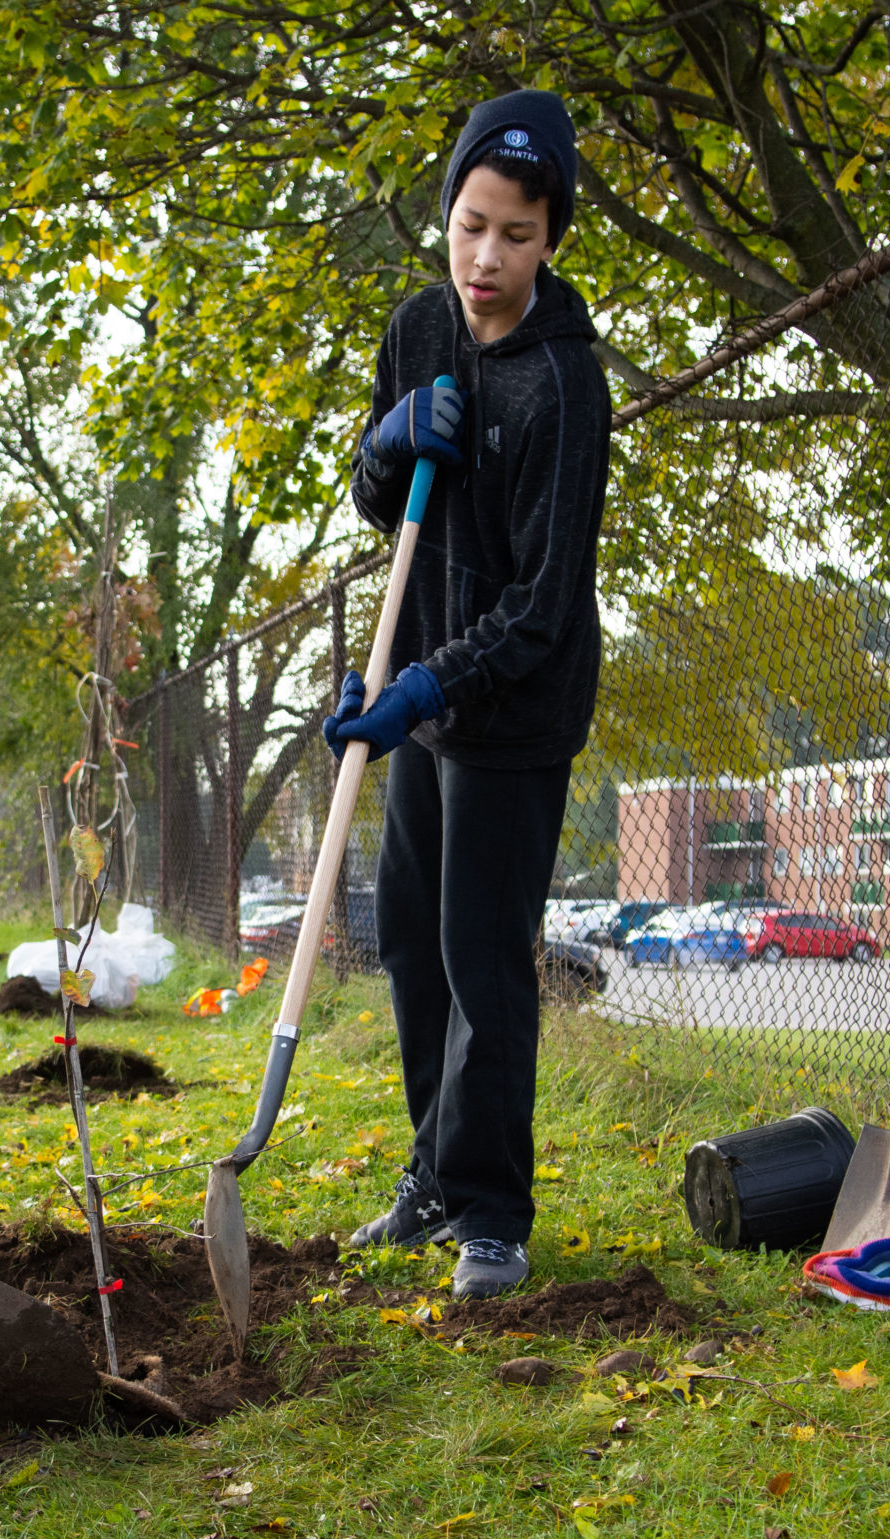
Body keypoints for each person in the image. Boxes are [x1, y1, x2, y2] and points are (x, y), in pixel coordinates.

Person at [327, 91, 610, 1301]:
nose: (485, 259)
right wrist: (385, 448)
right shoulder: (418, 331)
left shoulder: (564, 390)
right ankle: (435, 1174)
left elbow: (544, 603)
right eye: (470, 225)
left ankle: (492, 1212)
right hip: (426, 693)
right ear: (446, 213)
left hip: (511, 710)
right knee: (407, 944)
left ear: (551, 240)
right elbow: (384, 511)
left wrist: (431, 683)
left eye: (517, 235)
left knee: (480, 955)